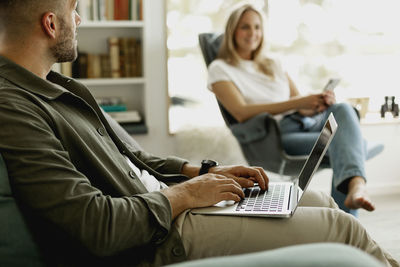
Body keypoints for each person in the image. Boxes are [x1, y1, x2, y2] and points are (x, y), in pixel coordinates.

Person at [0, 1, 398, 266]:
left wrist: (206, 171)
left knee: (315, 199)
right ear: (50, 24)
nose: (80, 19)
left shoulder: (63, 88)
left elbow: (139, 161)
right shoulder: (15, 105)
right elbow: (92, 223)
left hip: (167, 203)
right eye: (73, 8)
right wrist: (188, 195)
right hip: (156, 234)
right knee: (343, 228)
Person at [207, 4, 374, 215]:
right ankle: (350, 206)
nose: (253, 33)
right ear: (232, 30)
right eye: (245, 27)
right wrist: (298, 103)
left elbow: (299, 105)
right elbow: (241, 112)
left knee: (343, 109)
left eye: (257, 27)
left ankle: (356, 186)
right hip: (277, 134)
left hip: (304, 122)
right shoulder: (220, 68)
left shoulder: (273, 63)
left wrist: (316, 104)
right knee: (341, 144)